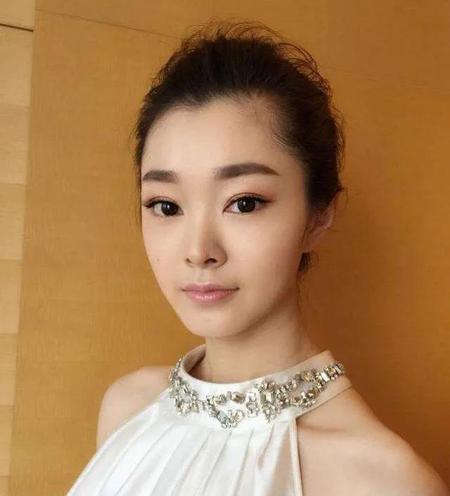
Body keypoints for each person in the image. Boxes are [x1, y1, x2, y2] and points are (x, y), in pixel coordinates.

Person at [66, 19, 449, 496]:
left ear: (319, 215)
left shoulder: (381, 480)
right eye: (166, 206)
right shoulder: (127, 409)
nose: (198, 251)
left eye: (244, 203)